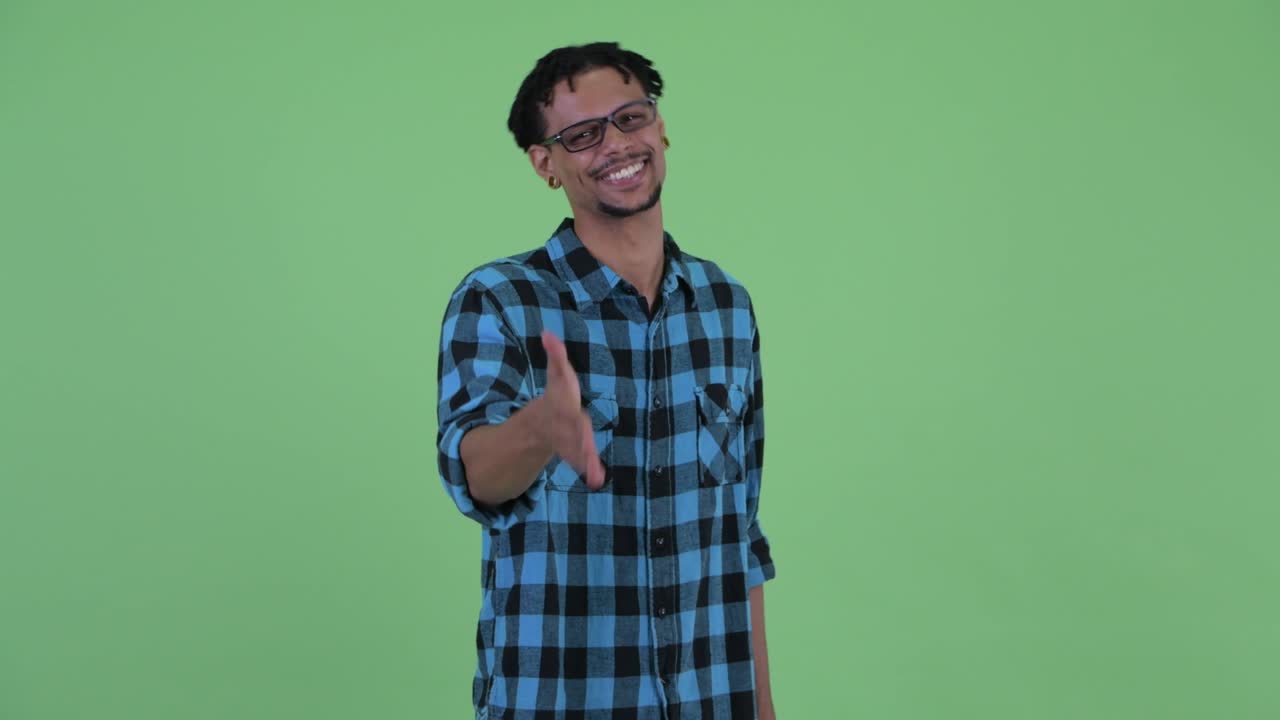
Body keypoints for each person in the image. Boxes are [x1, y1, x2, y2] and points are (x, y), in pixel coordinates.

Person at [436, 41, 777, 719]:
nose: (617, 145)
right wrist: (542, 427)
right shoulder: (501, 299)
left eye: (630, 117)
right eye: (583, 135)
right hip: (559, 702)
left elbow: (740, 536)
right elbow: (474, 476)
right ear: (547, 164)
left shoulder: (725, 305)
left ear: (659, 126)